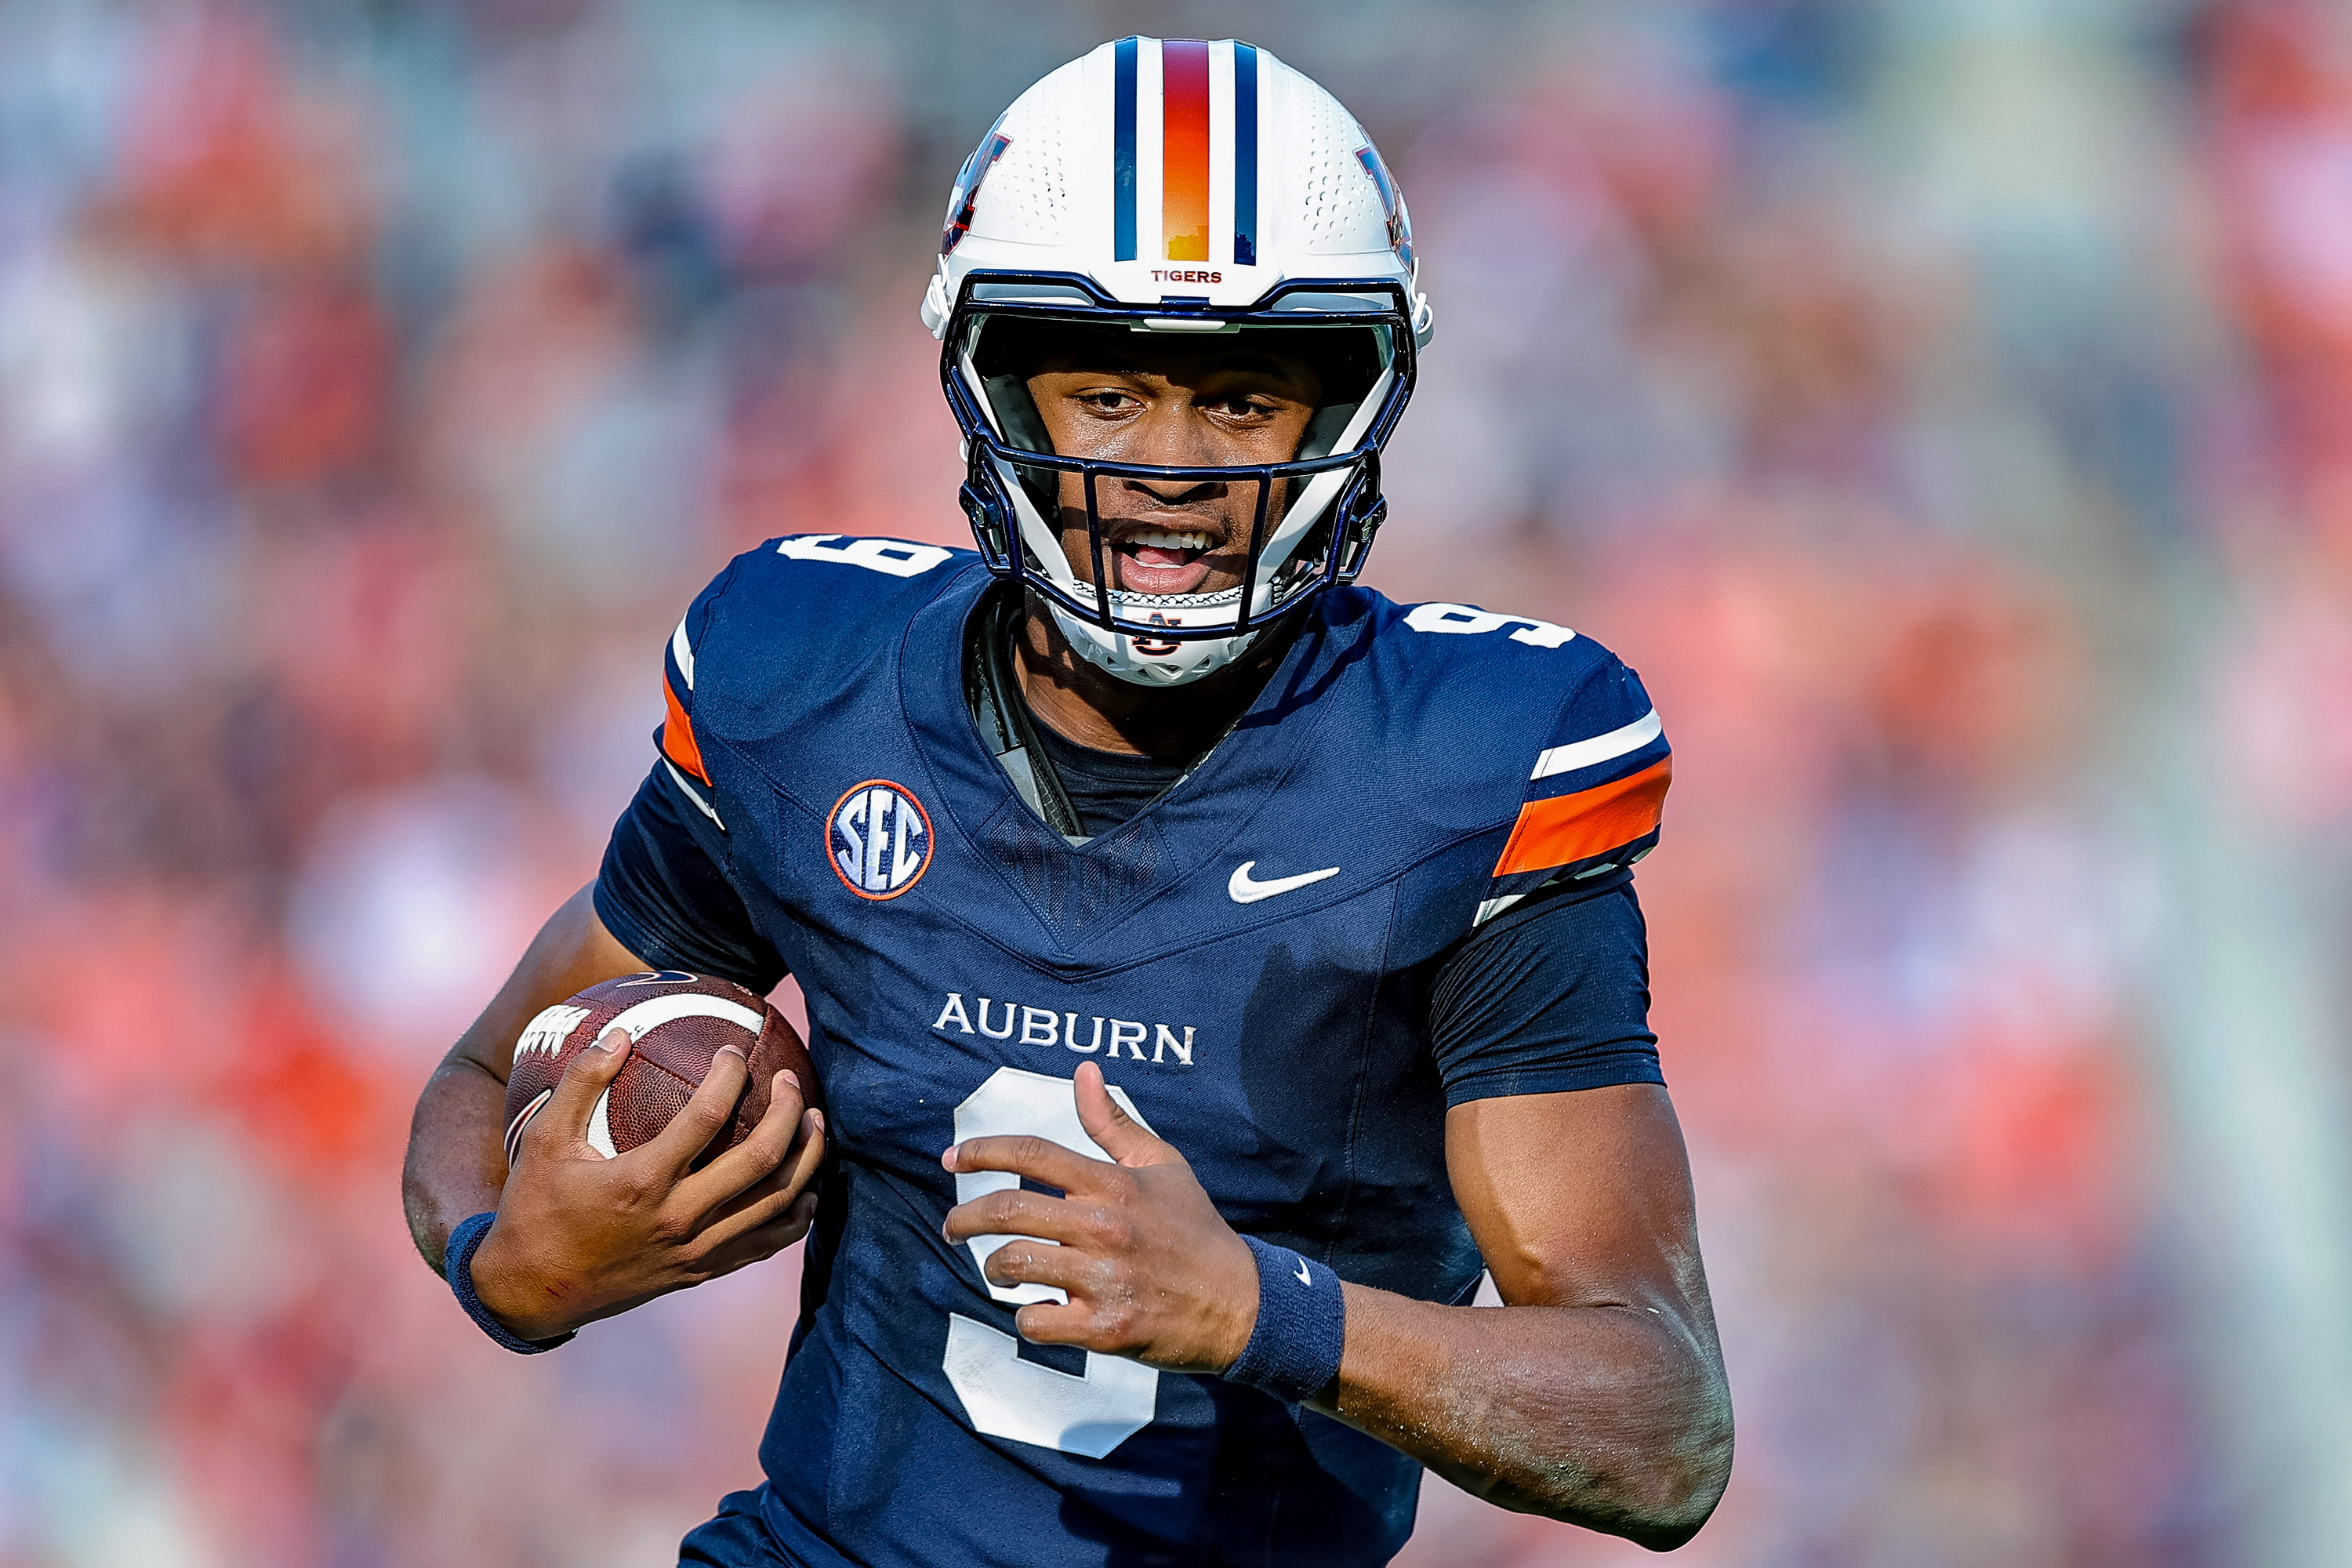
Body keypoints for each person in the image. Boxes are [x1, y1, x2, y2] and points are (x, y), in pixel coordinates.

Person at [401, 34, 1732, 1566]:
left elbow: (1662, 1427)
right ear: (993, 388)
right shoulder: (806, 685)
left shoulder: (1468, 764)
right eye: (1106, 390)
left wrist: (1257, 1308)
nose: (1167, 466)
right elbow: (478, 1080)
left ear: (1348, 411)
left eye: (1238, 402)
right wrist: (515, 1270)